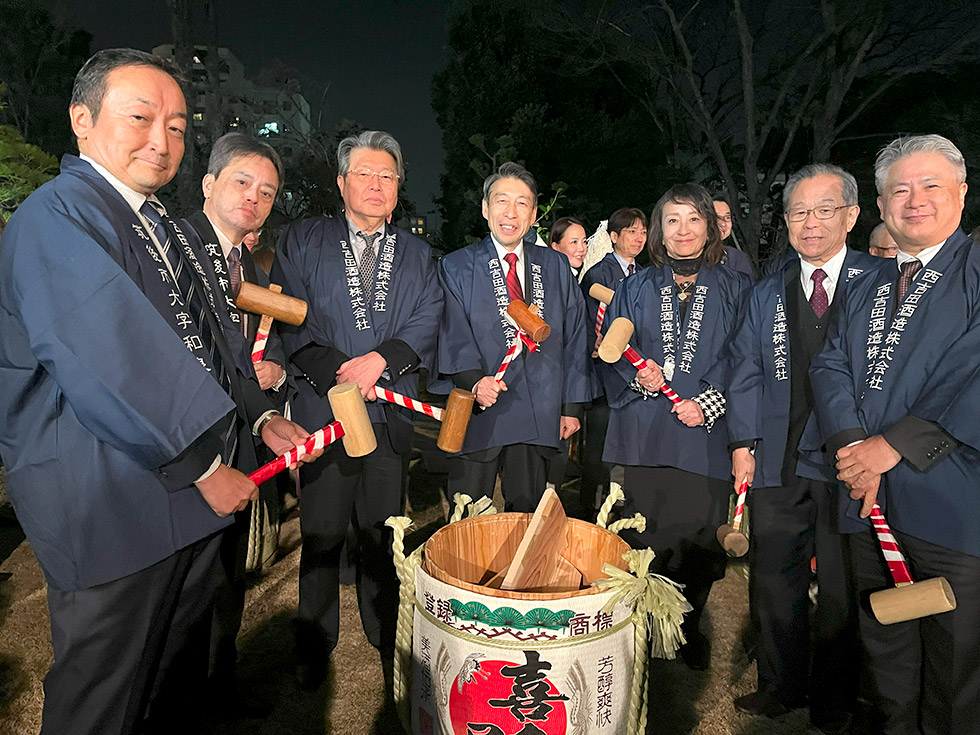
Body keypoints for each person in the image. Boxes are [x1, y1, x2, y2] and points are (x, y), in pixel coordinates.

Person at [0, 49, 316, 735]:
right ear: (82, 120)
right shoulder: (58, 217)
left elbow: (214, 343)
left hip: (180, 501)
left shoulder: (160, 225)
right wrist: (204, 467)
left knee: (173, 683)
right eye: (141, 118)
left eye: (176, 125)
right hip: (111, 503)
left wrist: (260, 419)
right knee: (105, 697)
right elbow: (109, 355)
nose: (161, 140)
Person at [807, 134, 980, 735]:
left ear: (962, 193)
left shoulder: (975, 269)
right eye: (899, 189)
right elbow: (829, 365)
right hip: (868, 497)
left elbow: (972, 370)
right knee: (886, 653)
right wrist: (854, 445)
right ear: (881, 206)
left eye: (931, 185)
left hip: (952, 503)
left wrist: (894, 446)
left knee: (957, 667)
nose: (915, 201)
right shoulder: (867, 284)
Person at [272, 130, 443, 695]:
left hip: (388, 416)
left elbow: (427, 317)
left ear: (399, 187)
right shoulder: (302, 239)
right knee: (321, 531)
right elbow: (291, 315)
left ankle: (384, 628)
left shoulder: (420, 255)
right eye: (364, 174)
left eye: (387, 176)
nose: (376, 185)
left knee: (382, 530)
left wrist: (382, 361)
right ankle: (312, 643)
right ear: (342, 182)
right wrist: (343, 373)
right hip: (326, 411)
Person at [725, 164, 876, 731]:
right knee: (773, 576)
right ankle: (780, 684)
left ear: (851, 216)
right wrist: (742, 441)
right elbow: (743, 370)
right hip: (777, 456)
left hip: (848, 462)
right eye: (797, 212)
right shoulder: (769, 290)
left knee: (842, 584)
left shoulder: (880, 282)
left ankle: (836, 696)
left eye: (824, 210)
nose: (810, 224)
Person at [600, 183, 752, 670]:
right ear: (658, 231)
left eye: (693, 219)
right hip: (646, 431)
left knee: (700, 541)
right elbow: (612, 347)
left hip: (705, 435)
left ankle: (689, 628)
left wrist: (708, 401)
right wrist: (639, 377)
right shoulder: (636, 286)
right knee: (644, 537)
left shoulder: (736, 287)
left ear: (709, 225)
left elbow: (745, 357)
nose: (682, 230)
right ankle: (642, 628)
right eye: (672, 220)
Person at [180, 132, 288, 716]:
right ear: (208, 183)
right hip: (188, 453)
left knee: (225, 574)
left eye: (267, 191)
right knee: (188, 584)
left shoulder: (236, 262)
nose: (254, 198)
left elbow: (232, 355)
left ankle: (218, 681)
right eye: (242, 182)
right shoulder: (177, 247)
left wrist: (267, 412)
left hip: (237, 437)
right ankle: (191, 688)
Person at [437, 162, 591, 511]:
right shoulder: (457, 267)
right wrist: (475, 381)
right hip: (480, 406)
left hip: (539, 406)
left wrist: (571, 406)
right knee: (469, 518)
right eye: (501, 200)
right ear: (485, 208)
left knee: (526, 519)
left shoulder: (555, 265)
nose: (511, 212)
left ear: (534, 213)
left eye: (522, 203)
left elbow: (575, 336)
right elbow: (452, 332)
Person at [578, 208, 647, 513]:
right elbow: (590, 320)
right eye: (631, 232)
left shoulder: (644, 273)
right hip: (603, 371)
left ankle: (621, 507)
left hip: (633, 372)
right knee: (598, 444)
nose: (639, 238)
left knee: (627, 443)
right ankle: (588, 508)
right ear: (614, 237)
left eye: (643, 232)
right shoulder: (598, 273)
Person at [713, 192, 755, 277]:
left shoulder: (738, 258)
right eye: (717, 218)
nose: (723, 223)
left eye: (727, 218)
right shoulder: (689, 255)